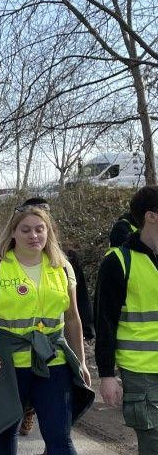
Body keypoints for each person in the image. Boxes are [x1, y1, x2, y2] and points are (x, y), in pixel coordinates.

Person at [0, 203, 93, 455]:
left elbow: (73, 318)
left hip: (52, 362)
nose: (33, 236)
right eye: (25, 230)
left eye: (39, 229)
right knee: (4, 436)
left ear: (48, 232)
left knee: (60, 439)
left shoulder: (62, 266)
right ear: (13, 233)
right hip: (7, 364)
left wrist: (81, 361)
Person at [95, 186, 158, 454]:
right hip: (141, 373)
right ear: (151, 217)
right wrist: (106, 375)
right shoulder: (119, 261)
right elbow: (105, 322)